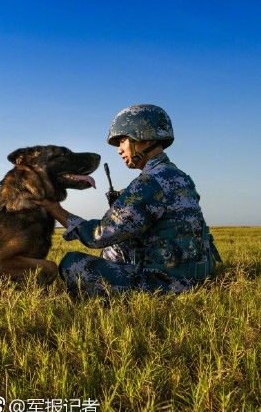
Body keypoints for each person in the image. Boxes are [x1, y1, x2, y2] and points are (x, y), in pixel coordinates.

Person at [34, 104, 221, 296]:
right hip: (197, 275)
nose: (119, 150)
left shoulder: (150, 182)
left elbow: (98, 236)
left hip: (169, 284)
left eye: (123, 141)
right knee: (118, 245)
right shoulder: (178, 176)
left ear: (144, 137)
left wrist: (53, 208)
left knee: (72, 263)